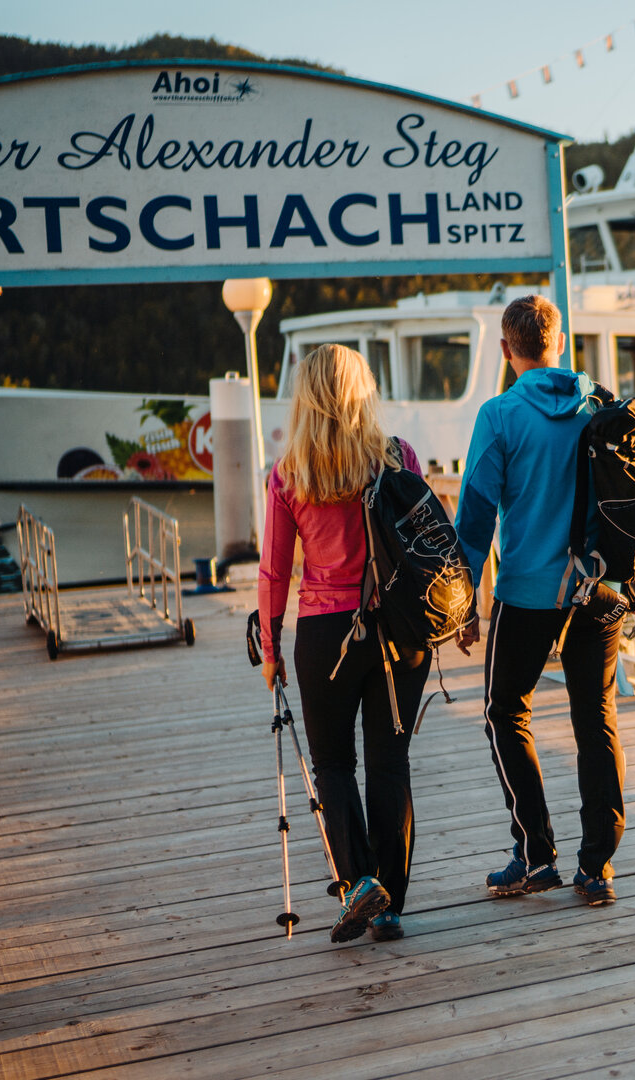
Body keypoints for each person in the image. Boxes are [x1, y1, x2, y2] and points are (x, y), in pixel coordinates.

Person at [455, 295, 635, 908]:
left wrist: (464, 600)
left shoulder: (500, 415)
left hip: (527, 592)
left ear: (505, 349)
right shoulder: (600, 402)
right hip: (600, 589)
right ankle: (597, 868)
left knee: (505, 710)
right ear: (559, 341)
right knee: (595, 718)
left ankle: (537, 854)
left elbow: (474, 519)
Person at [257, 343, 427, 944]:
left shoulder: (289, 473)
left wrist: (271, 649)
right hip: (398, 632)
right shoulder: (397, 456)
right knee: (390, 762)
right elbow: (425, 541)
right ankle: (391, 906)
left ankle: (356, 883)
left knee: (332, 763)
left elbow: (274, 571)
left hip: (326, 633)